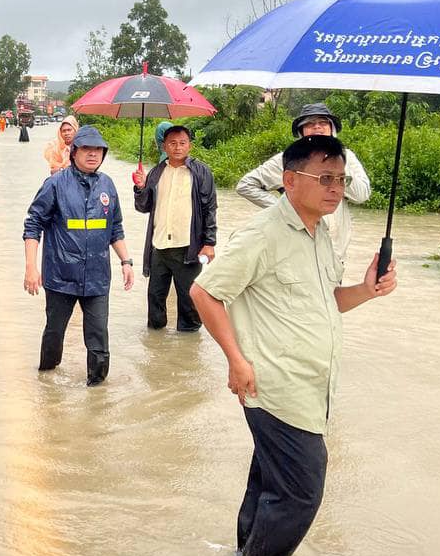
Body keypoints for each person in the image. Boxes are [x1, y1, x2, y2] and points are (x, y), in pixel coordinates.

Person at [190, 134, 397, 556]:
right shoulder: (262, 235)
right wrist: (236, 360)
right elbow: (205, 292)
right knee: (302, 491)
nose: (336, 188)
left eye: (341, 179)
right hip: (274, 385)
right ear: (288, 180)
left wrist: (366, 289)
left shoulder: (320, 233)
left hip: (310, 386)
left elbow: (327, 302)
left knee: (268, 480)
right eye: (325, 178)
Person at [23, 125, 134, 386]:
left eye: (98, 150)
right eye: (86, 149)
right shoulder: (55, 184)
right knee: (54, 333)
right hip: (61, 276)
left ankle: (97, 393)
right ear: (74, 152)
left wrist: (126, 261)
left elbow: (114, 228)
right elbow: (33, 225)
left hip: (97, 277)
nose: (93, 154)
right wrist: (31, 267)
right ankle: (47, 385)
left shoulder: (107, 185)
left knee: (98, 336)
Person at [236, 103, 371, 264]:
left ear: (332, 129)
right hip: (296, 254)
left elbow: (362, 195)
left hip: (335, 255)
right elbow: (246, 185)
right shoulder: (288, 159)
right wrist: (284, 208)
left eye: (323, 122)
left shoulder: (347, 157)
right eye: (310, 124)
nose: (317, 127)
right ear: (301, 132)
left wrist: (337, 164)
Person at [132, 124, 217, 332]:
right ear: (164, 146)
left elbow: (210, 209)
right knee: (155, 300)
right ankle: (156, 345)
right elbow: (143, 207)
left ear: (190, 145)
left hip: (188, 247)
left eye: (182, 143)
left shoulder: (200, 172)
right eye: (172, 143)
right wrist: (140, 188)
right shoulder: (156, 172)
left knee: (189, 304)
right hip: (159, 246)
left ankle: (188, 348)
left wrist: (209, 243)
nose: (177, 147)